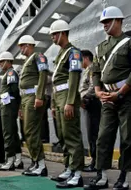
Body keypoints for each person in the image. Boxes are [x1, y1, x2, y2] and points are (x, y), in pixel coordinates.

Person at [84, 6, 131, 190]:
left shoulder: (128, 42)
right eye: (103, 22)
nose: (104, 25)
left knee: (127, 138)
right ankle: (101, 175)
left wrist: (121, 92)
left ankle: (124, 177)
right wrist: (97, 90)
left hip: (126, 97)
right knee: (103, 137)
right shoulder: (100, 47)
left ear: (119, 21)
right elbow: (95, 71)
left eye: (108, 21)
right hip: (106, 98)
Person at [49, 20, 84, 188]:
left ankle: (77, 173)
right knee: (62, 135)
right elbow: (56, 81)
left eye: (55, 34)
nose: (52, 37)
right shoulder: (61, 53)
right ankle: (69, 168)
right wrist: (54, 104)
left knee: (71, 135)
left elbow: (74, 77)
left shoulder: (73, 52)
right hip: (59, 97)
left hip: (67, 97)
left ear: (63, 33)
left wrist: (70, 102)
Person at [17, 35, 49, 177]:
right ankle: (35, 161)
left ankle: (41, 164)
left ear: (29, 45)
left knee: (31, 130)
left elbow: (43, 74)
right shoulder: (26, 62)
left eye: (22, 45)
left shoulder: (38, 56)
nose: (20, 48)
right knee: (27, 131)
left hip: (33, 96)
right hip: (25, 98)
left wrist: (39, 96)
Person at [0, 51, 23, 171]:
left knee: (7, 132)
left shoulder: (11, 73)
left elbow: (14, 91)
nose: (0, 64)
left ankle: (10, 160)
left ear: (9, 61)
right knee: (13, 132)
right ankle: (18, 159)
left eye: (2, 61)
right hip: (8, 104)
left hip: (8, 105)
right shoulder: (8, 73)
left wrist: (16, 105)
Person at [79, 50, 101, 173]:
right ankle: (95, 161)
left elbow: (93, 87)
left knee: (93, 134)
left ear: (86, 58)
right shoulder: (87, 70)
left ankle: (95, 162)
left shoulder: (92, 68)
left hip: (92, 103)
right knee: (91, 134)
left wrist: (84, 98)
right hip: (89, 103)